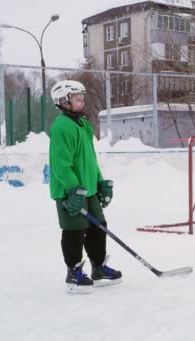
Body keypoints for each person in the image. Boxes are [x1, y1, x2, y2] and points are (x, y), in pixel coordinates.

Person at [49, 80, 122, 294]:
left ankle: (98, 268)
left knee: (99, 226)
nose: (82, 102)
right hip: (69, 191)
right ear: (63, 101)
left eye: (82, 99)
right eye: (77, 99)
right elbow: (60, 164)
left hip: (88, 188)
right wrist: (73, 188)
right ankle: (73, 272)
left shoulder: (84, 125)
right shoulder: (62, 126)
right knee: (75, 230)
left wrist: (99, 182)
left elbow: (90, 160)